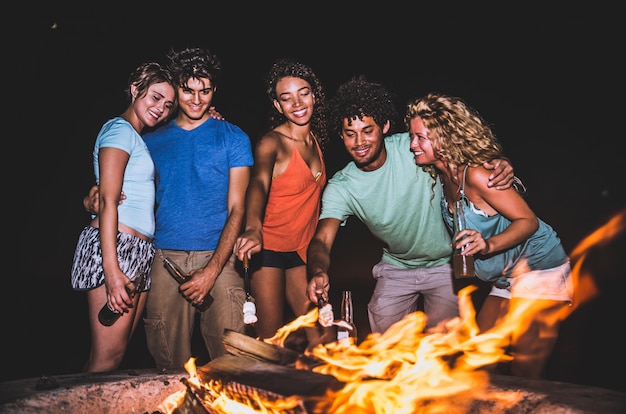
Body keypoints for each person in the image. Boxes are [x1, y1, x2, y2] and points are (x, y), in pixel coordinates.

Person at [306, 76, 515, 336]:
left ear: (384, 126)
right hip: (396, 268)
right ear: (341, 135)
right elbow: (322, 240)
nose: (359, 142)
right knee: (385, 347)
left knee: (444, 350)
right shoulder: (342, 186)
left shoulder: (414, 147)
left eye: (367, 130)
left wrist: (499, 160)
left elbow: (468, 149)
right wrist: (317, 271)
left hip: (444, 266)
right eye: (350, 134)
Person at [85, 47, 253, 370]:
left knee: (235, 364)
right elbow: (120, 183)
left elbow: (237, 209)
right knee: (166, 366)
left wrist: (212, 271)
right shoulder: (150, 142)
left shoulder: (234, 138)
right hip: (162, 259)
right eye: (188, 90)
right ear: (177, 87)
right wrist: (90, 197)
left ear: (214, 91)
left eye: (205, 91)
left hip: (219, 256)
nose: (196, 99)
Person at [407, 92, 573, 378]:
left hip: (539, 266)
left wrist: (487, 245)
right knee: (478, 361)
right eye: (413, 137)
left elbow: (528, 221)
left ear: (446, 137)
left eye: (420, 138)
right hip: (506, 275)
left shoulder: (477, 176)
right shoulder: (443, 175)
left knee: (525, 371)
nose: (412, 145)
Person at [71, 62, 176, 372]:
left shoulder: (137, 137)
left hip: (137, 250)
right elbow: (106, 199)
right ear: (135, 90)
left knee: (112, 358)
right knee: (106, 361)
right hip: (116, 247)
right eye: (155, 97)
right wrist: (112, 271)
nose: (161, 109)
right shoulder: (119, 130)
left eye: (168, 104)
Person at [233, 59, 332, 348]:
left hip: (301, 250)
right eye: (286, 98)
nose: (297, 103)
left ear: (315, 96)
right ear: (278, 106)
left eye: (303, 93)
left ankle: (321, 392)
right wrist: (253, 228)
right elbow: (258, 184)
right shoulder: (271, 142)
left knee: (321, 338)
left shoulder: (316, 139)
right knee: (271, 340)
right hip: (269, 250)